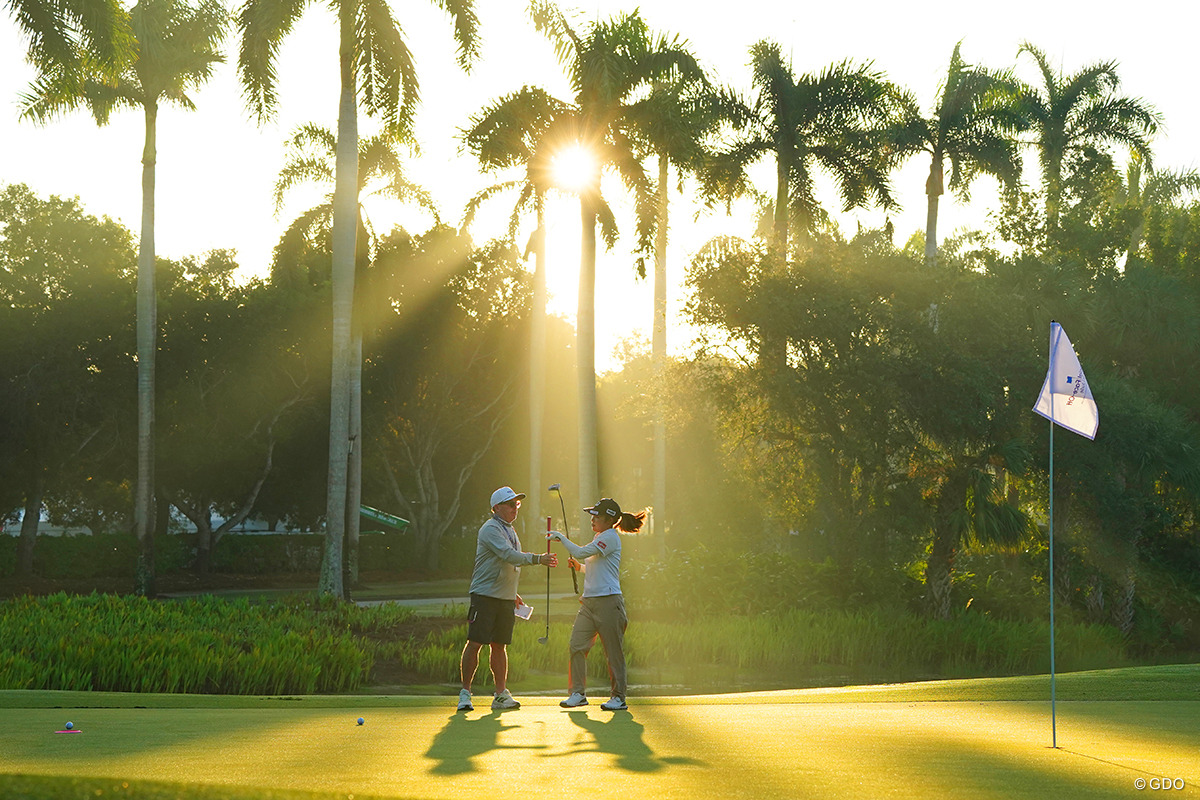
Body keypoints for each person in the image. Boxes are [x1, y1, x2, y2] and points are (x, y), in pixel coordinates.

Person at [458, 486, 557, 712]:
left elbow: (508, 565)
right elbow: (508, 555)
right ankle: (465, 693)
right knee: (475, 643)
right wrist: (538, 558)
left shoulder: (510, 529)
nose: (515, 508)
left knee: (499, 645)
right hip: (484, 595)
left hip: (504, 597)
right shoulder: (490, 529)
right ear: (497, 508)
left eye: (517, 504)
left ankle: (501, 694)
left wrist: (512, 592)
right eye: (511, 504)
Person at [547, 497, 644, 711]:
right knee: (576, 645)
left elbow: (581, 551)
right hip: (589, 602)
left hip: (609, 602)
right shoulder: (600, 536)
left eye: (596, 516)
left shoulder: (610, 537)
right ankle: (578, 694)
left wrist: (561, 537)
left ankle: (618, 697)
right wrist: (579, 567)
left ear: (609, 519)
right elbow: (594, 567)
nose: (592, 519)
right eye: (592, 515)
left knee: (613, 652)